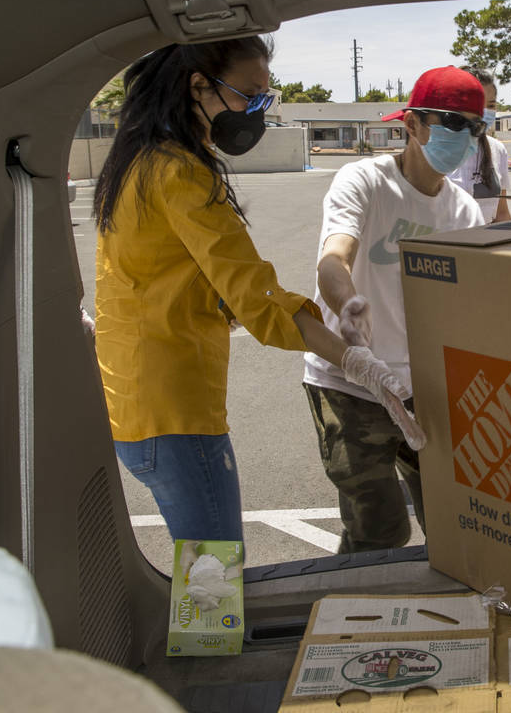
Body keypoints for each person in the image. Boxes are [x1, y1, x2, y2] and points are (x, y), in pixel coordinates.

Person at [93, 37, 415, 545]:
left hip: (138, 400)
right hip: (175, 408)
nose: (257, 111)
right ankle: (211, 633)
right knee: (213, 580)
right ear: (198, 86)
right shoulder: (179, 172)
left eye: (266, 97)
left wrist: (221, 303)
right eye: (248, 94)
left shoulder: (140, 160)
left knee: (206, 571)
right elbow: (259, 299)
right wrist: (359, 364)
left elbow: (164, 275)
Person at [303, 66, 487, 553]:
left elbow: (466, 304)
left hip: (421, 385)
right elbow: (334, 256)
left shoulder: (463, 211)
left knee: (451, 519)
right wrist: (347, 304)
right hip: (350, 379)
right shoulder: (364, 181)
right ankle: (360, 623)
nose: (463, 136)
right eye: (452, 121)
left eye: (474, 126)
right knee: (378, 531)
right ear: (412, 124)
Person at [446, 66, 511, 223]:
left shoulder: (498, 149)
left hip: (487, 243)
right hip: (449, 243)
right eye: (476, 104)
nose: (483, 112)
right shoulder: (440, 151)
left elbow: (502, 214)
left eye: (490, 105)